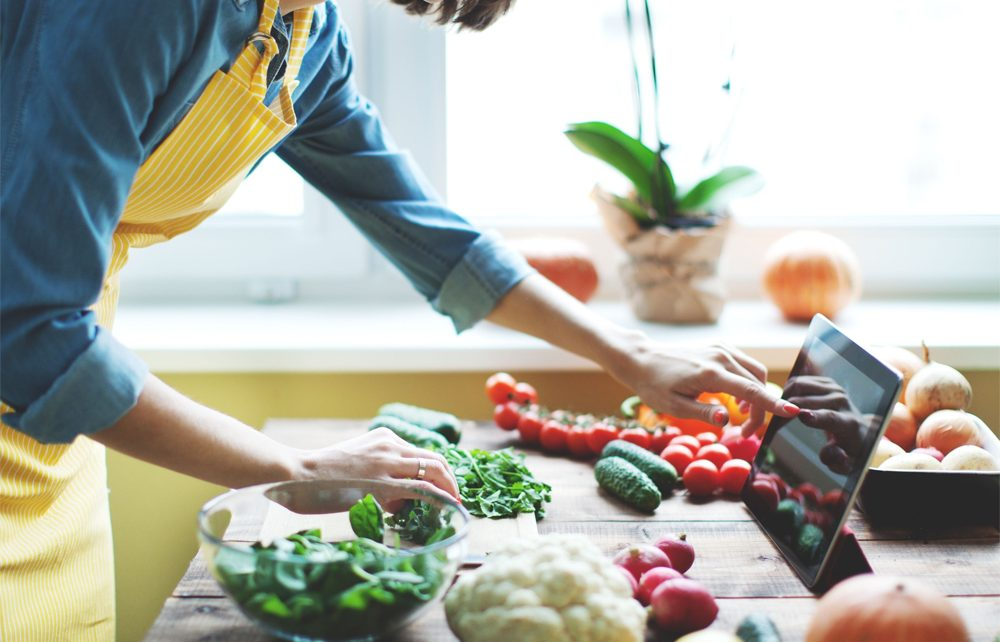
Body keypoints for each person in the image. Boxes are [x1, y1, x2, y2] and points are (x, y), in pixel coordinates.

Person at [0, 0, 798, 639]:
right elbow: (31, 326)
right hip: (40, 358)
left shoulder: (300, 32)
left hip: (56, 430)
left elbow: (421, 226)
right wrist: (299, 471)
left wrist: (628, 352)